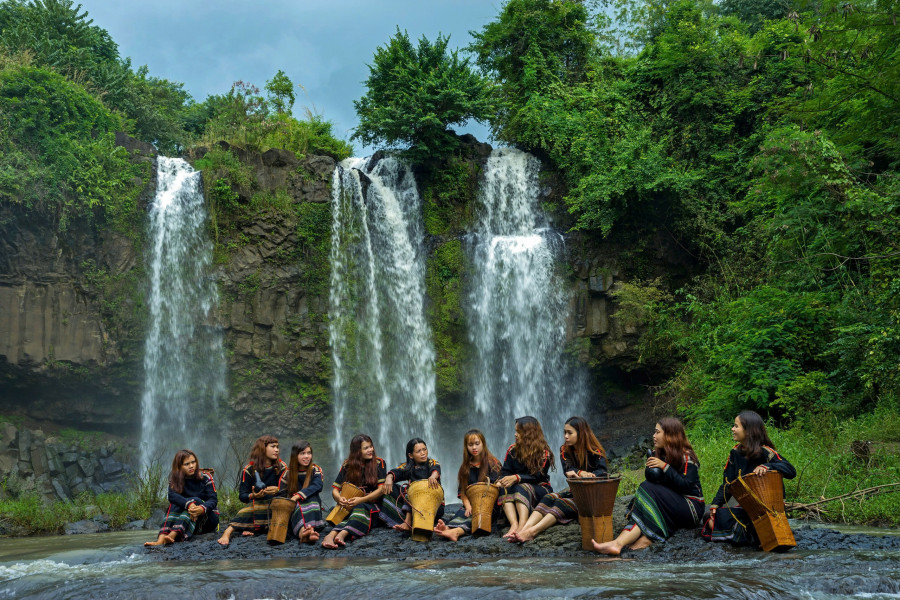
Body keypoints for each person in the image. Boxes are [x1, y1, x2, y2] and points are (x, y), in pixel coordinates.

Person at [593, 417, 703, 555]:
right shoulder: (661, 454)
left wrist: (664, 467)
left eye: (657, 432)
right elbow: (658, 485)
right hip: (670, 505)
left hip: (691, 507)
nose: (653, 436)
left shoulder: (686, 456)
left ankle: (644, 538)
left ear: (669, 435)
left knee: (646, 488)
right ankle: (618, 544)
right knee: (644, 504)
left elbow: (686, 486)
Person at [701, 410, 797, 546]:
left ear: (749, 430)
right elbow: (727, 484)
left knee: (724, 522)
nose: (732, 429)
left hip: (767, 509)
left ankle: (746, 536)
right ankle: (749, 536)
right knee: (709, 516)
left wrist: (767, 467)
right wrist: (715, 505)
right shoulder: (735, 453)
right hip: (746, 507)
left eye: (736, 426)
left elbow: (791, 470)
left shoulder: (766, 451)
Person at [512, 416, 607, 543]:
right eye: (564, 432)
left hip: (593, 497)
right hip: (575, 492)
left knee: (560, 503)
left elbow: (603, 472)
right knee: (549, 497)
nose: (565, 436)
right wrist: (580, 472)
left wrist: (591, 475)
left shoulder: (595, 451)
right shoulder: (564, 450)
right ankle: (524, 529)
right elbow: (568, 469)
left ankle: (532, 532)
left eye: (569, 433)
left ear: (581, 433)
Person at [217, 435, 286, 546]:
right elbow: (242, 496)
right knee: (244, 512)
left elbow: (289, 491)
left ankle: (253, 528)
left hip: (275, 505)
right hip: (256, 505)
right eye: (273, 446)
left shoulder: (282, 467)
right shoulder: (250, 469)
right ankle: (227, 532)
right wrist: (253, 495)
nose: (276, 450)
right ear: (262, 449)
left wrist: (278, 489)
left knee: (281, 513)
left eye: (277, 447)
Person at [321, 434, 387, 548]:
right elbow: (335, 490)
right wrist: (339, 498)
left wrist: (361, 500)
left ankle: (341, 533)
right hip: (352, 505)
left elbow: (381, 490)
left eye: (371, 446)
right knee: (353, 511)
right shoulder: (348, 465)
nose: (371, 450)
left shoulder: (379, 463)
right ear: (357, 451)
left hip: (374, 505)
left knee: (360, 509)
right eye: (366, 448)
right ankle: (330, 536)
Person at [434, 428, 502, 541]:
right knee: (463, 512)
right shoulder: (465, 467)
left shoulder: (493, 463)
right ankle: (447, 527)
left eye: (477, 444)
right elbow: (463, 491)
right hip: (471, 503)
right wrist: (468, 505)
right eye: (470, 445)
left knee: (477, 516)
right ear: (466, 446)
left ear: (483, 444)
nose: (474, 448)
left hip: (490, 505)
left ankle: (455, 532)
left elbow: (497, 486)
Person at [496, 416, 554, 539]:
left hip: (540, 488)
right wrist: (502, 481)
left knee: (521, 487)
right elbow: (505, 471)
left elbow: (538, 476)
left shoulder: (543, 453)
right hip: (518, 487)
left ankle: (523, 525)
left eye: (519, 432)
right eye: (515, 431)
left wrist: (517, 478)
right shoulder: (512, 450)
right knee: (504, 488)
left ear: (529, 433)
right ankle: (514, 524)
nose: (515, 434)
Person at [145, 449, 218, 546]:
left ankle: (172, 535)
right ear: (179, 466)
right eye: (187, 464)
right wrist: (189, 505)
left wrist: (201, 508)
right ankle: (161, 539)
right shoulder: (175, 478)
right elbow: (172, 496)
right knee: (176, 502)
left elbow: (213, 499)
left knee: (194, 500)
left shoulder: (205, 476)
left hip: (207, 519)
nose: (191, 466)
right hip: (189, 520)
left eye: (193, 462)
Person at [380, 437, 443, 532]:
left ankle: (407, 521)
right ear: (411, 455)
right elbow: (396, 472)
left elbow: (436, 469)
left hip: (434, 508)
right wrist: (389, 478)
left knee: (410, 491)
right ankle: (406, 519)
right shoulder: (409, 467)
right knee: (392, 486)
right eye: (418, 451)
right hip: (414, 506)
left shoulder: (431, 463)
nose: (423, 453)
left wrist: (433, 477)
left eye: (424, 449)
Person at [281, 439, 325, 544]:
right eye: (302, 453)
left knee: (312, 500)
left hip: (313, 507)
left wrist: (297, 496)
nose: (306, 456)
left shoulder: (315, 470)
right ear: (295, 455)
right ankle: (304, 533)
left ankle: (309, 531)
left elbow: (317, 486)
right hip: (295, 509)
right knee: (296, 506)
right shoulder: (288, 474)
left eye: (309, 453)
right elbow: (281, 494)